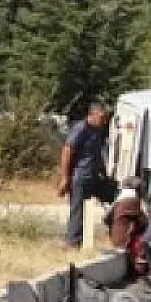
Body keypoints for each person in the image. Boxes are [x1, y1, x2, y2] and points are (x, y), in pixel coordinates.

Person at [58, 100, 116, 249]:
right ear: (93, 115)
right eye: (102, 117)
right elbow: (67, 151)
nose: (104, 121)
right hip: (81, 176)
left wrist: (104, 174)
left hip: (95, 176)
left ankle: (117, 233)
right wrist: (65, 178)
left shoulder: (98, 131)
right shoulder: (80, 129)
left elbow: (97, 154)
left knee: (114, 196)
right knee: (78, 210)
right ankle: (73, 243)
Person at [108, 178, 149, 276]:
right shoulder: (133, 201)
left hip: (115, 239)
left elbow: (106, 218)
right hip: (125, 242)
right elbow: (144, 222)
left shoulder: (119, 201)